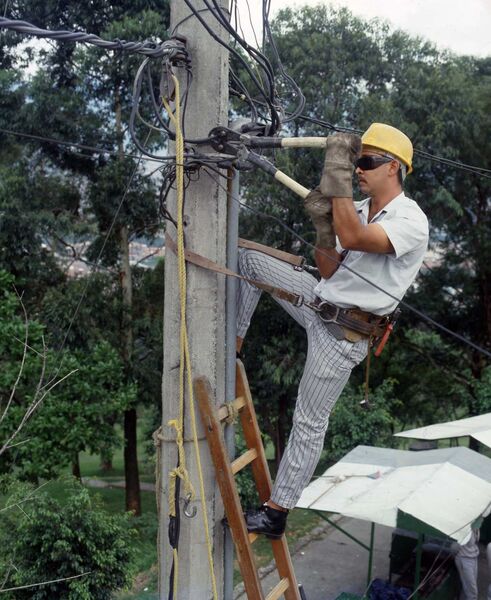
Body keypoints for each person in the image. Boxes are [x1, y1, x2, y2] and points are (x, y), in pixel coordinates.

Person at [237, 123, 429, 538]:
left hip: (342, 335)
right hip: (318, 302)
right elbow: (328, 267)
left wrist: (337, 180)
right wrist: (324, 229)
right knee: (248, 260)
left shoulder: (411, 220)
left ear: (393, 167)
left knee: (308, 420)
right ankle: (232, 344)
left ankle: (277, 512)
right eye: (355, 162)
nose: (358, 169)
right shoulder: (356, 210)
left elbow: (355, 237)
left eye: (365, 161)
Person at [453, 528, 479, 600]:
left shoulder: (476, 525)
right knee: (472, 591)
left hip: (473, 557)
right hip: (464, 558)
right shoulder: (465, 526)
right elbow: (453, 547)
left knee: (468, 588)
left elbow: (475, 541)